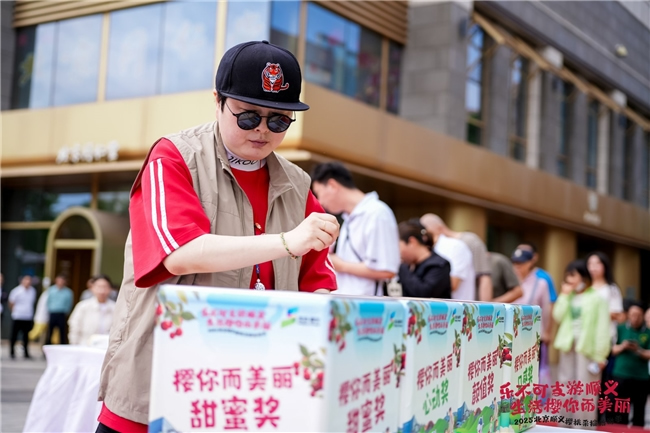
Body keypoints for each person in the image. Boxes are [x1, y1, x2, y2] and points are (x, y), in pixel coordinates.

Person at [98, 40, 340, 433]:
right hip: (161, 380)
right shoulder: (174, 156)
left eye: (279, 121)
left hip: (251, 391)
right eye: (248, 116)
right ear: (218, 101)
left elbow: (317, 281)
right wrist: (285, 242)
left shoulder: (298, 184)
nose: (262, 129)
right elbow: (179, 253)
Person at [311, 161, 399, 296]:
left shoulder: (377, 213)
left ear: (332, 185)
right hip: (348, 301)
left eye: (319, 194)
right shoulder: (349, 218)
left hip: (366, 304)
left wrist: (341, 265)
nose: (320, 201)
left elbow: (387, 269)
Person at [552, 260, 610, 429]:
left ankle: (583, 428)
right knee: (565, 384)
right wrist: (563, 296)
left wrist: (601, 355)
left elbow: (602, 328)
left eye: (573, 275)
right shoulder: (568, 296)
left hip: (587, 347)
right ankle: (564, 424)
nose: (569, 279)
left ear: (583, 277)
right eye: (567, 275)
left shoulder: (596, 298)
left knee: (585, 387)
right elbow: (557, 316)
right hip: (568, 344)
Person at [418, 214, 490, 300]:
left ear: (439, 228)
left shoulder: (467, 242)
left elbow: (484, 275)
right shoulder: (439, 246)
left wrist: (485, 306)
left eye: (426, 233)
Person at [609, 302, 650, 427]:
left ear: (643, 316)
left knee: (639, 412)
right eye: (632, 315)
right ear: (628, 315)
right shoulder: (620, 328)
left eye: (638, 315)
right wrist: (623, 346)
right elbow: (612, 350)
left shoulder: (648, 331)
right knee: (620, 410)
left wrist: (638, 350)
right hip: (621, 375)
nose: (635, 318)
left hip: (641, 377)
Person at [397, 219, 451, 299]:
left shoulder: (439, 265)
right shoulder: (409, 265)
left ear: (412, 242)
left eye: (399, 247)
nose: (398, 252)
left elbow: (425, 294)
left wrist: (402, 268)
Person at [510, 247, 552, 343]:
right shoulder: (509, 282)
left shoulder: (541, 283)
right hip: (511, 332)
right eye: (515, 263)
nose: (517, 266)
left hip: (532, 333)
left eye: (521, 263)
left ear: (530, 263)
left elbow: (546, 310)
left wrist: (546, 332)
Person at [586, 252, 624, 344]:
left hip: (605, 335)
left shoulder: (611, 289)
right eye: (590, 264)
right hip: (586, 336)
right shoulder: (585, 288)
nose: (593, 267)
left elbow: (617, 314)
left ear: (605, 266)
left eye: (597, 263)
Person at [68, 275, 116, 346]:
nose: (102, 291)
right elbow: (74, 326)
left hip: (108, 347)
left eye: (105, 287)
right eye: (99, 287)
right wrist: (74, 344)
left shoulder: (115, 307)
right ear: (92, 288)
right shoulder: (83, 306)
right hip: (85, 346)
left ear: (110, 289)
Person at [8, 275, 37, 359]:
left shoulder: (33, 291)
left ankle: (26, 353)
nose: (28, 282)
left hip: (28, 316)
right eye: (26, 280)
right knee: (14, 335)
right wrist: (15, 311)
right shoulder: (16, 291)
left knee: (26, 336)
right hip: (18, 316)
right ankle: (12, 352)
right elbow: (11, 303)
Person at [45, 274, 73, 345]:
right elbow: (48, 301)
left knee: (62, 331)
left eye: (62, 281)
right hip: (53, 312)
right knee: (50, 331)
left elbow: (69, 303)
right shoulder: (51, 290)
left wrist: (66, 311)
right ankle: (48, 345)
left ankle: (62, 345)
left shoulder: (68, 292)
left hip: (61, 313)